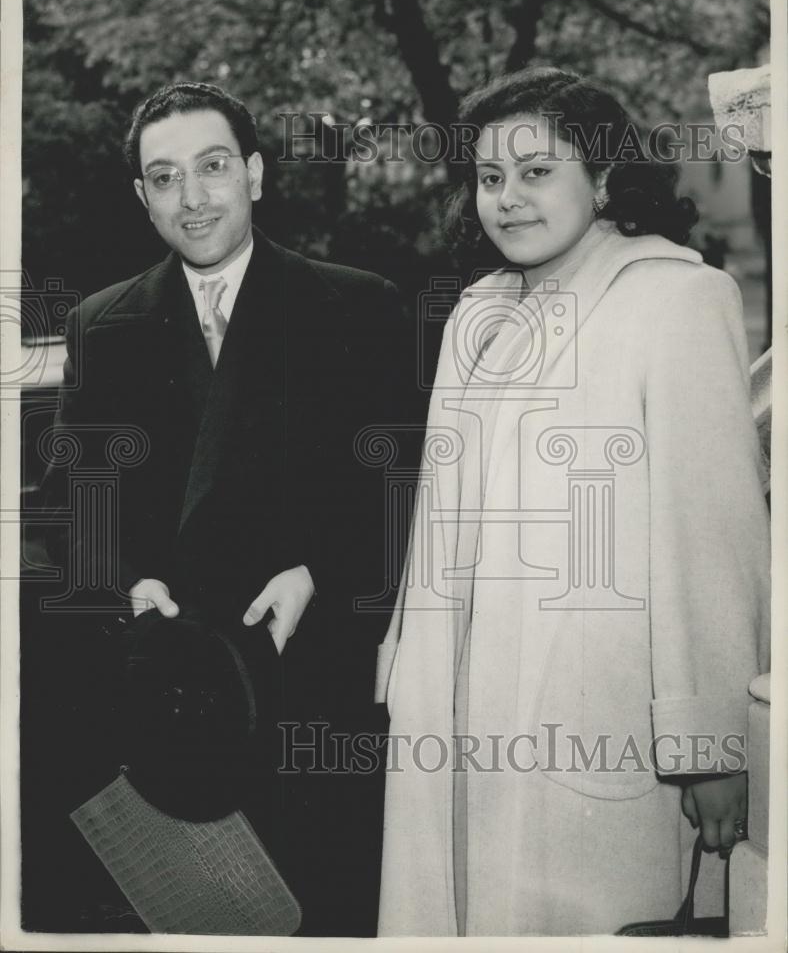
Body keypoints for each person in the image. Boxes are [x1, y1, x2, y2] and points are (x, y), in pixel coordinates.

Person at [375, 67, 771, 936]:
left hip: (597, 717)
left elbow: (710, 539)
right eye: (490, 178)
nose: (508, 199)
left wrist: (711, 745)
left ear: (602, 179)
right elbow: (435, 517)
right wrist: (403, 667)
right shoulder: (476, 310)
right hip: (452, 712)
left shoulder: (677, 297)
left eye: (536, 172)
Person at [41, 81, 407, 935]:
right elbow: (73, 508)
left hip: (315, 684)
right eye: (163, 178)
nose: (191, 197)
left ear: (254, 172)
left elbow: (402, 491)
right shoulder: (103, 323)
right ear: (142, 197)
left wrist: (321, 570)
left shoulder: (358, 305)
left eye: (211, 168)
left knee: (320, 913)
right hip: (173, 703)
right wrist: (130, 590)